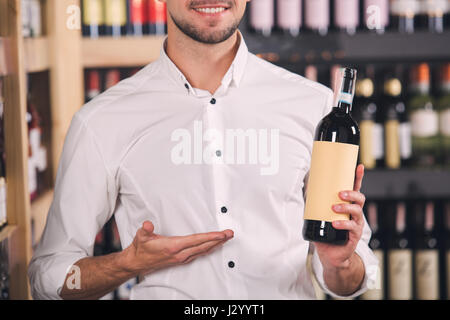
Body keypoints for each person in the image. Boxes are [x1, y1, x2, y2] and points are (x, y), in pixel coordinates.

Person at [28, 0, 378, 300]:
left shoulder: (311, 105)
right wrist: (126, 264)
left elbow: (348, 278)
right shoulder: (102, 120)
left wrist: (340, 263)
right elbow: (48, 275)